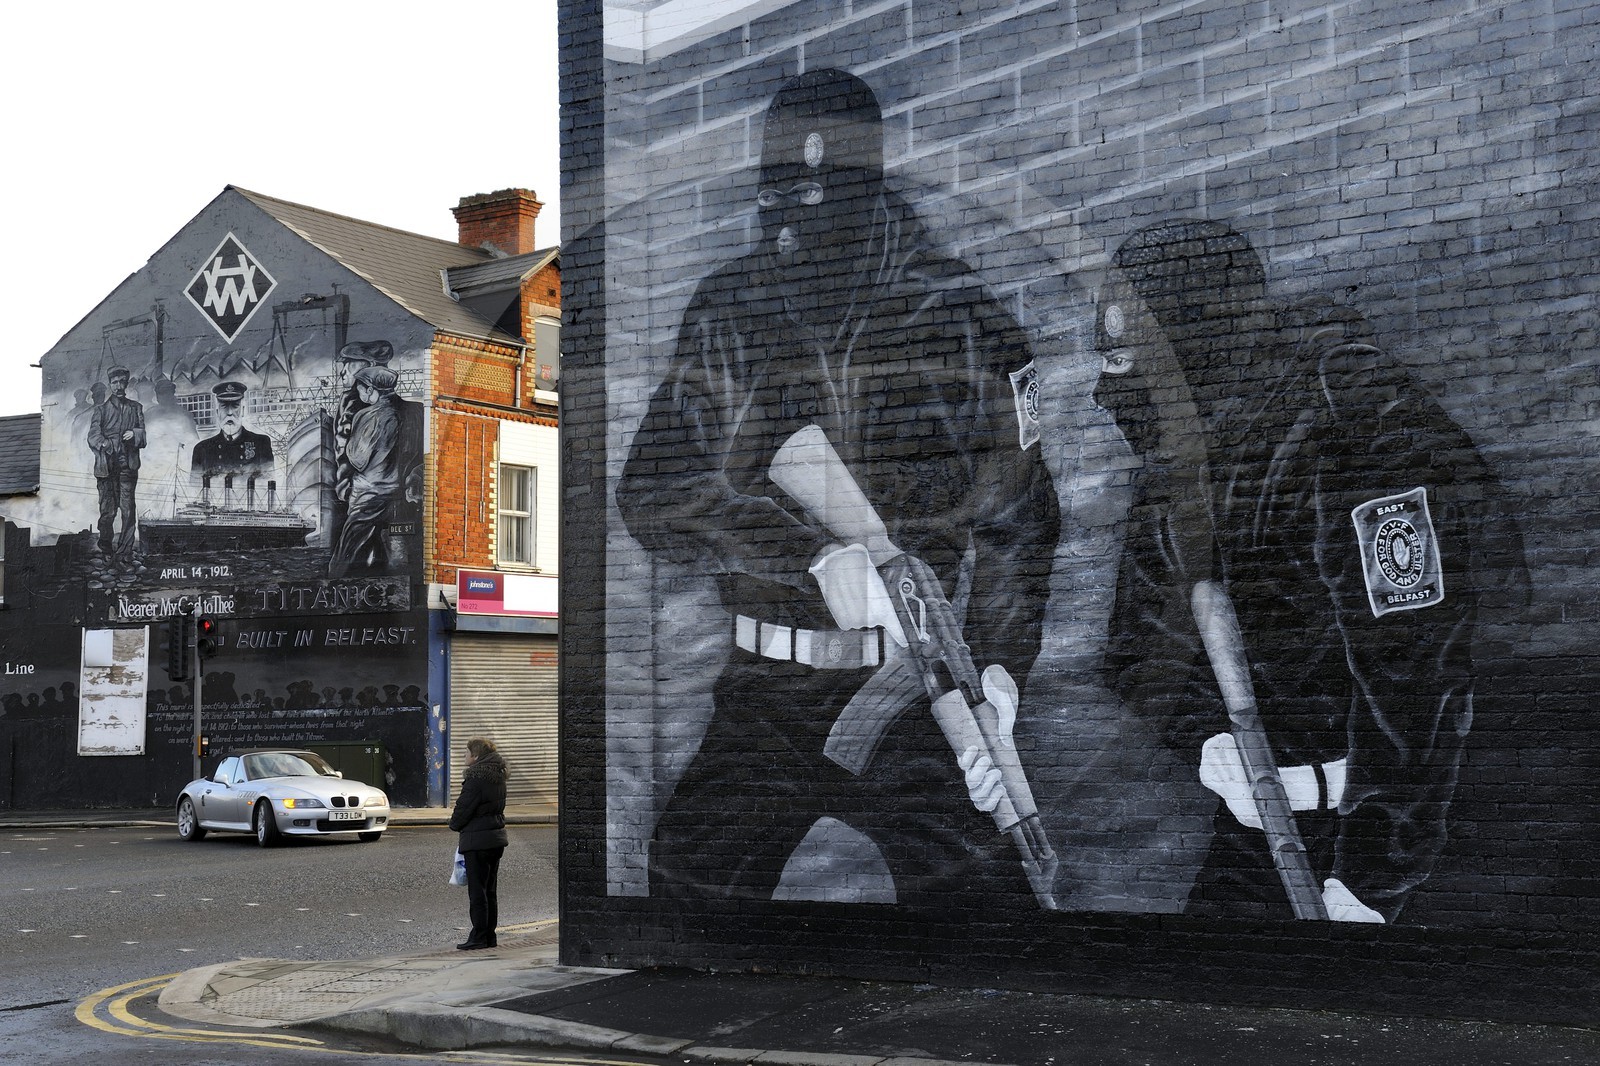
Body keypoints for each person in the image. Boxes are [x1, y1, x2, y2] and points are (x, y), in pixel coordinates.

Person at [616, 68, 1061, 908]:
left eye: (815, 193)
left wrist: (997, 678)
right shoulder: (730, 310)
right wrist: (813, 556)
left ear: (868, 184)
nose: (789, 220)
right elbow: (654, 491)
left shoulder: (966, 317)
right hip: (763, 689)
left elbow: (1020, 517)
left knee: (991, 907)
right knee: (684, 889)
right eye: (777, 192)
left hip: (911, 685)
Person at [1092, 217, 1521, 923]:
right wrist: (1211, 741)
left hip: (1405, 829)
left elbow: (1419, 672)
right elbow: (1136, 643)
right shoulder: (1178, 463)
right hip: (1268, 822)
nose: (1109, 393)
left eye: (1128, 361)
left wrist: (1371, 880)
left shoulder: (1356, 434)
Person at [330, 366, 423, 575]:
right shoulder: (418, 411)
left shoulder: (367, 415)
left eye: (361, 388)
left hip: (369, 496)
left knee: (348, 553)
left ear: (371, 389)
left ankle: (335, 586)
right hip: (403, 497)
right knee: (398, 552)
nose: (360, 393)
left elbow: (357, 459)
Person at [449, 737, 508, 950]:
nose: (464, 757)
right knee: (489, 890)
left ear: (475, 756)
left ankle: (478, 936)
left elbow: (463, 809)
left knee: (477, 892)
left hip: (477, 841)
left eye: (466, 753)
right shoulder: (498, 776)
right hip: (496, 839)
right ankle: (489, 936)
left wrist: (454, 824)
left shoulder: (476, 778)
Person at [87, 365, 147, 555]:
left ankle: (125, 552)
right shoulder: (101, 410)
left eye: (122, 382)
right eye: (114, 382)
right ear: (110, 384)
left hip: (128, 467)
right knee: (108, 512)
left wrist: (135, 434)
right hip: (106, 468)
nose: (118, 386)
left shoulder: (136, 408)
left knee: (128, 511)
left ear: (127, 384)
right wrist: (107, 445)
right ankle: (105, 546)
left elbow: (144, 437)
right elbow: (93, 437)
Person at [192, 381, 274, 478]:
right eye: (224, 406)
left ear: (243, 410)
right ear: (217, 412)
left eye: (235, 406)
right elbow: (194, 490)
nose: (230, 412)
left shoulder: (261, 444)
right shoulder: (202, 449)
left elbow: (269, 485)